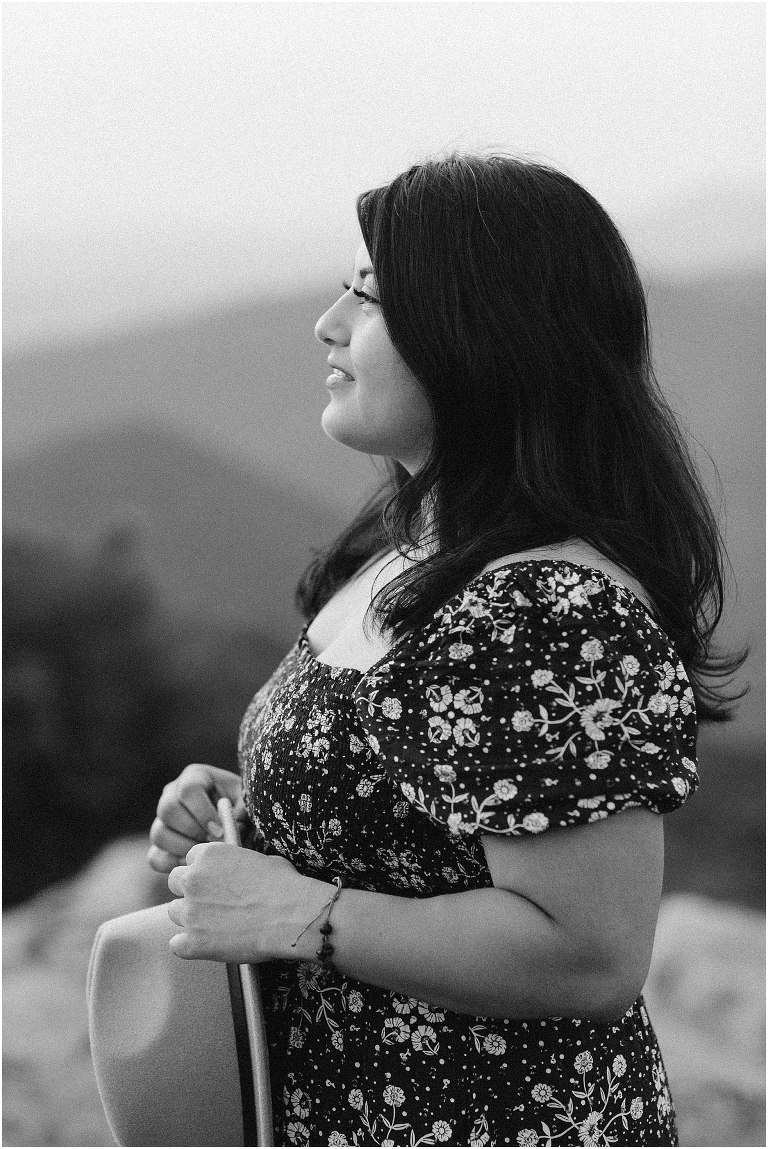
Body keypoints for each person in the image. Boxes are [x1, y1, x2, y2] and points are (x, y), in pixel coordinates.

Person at [148, 153, 743, 1147]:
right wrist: (264, 823)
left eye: (370, 299)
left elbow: (589, 956)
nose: (327, 325)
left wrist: (294, 909)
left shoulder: (544, 606)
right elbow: (426, 842)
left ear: (482, 338)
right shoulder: (408, 558)